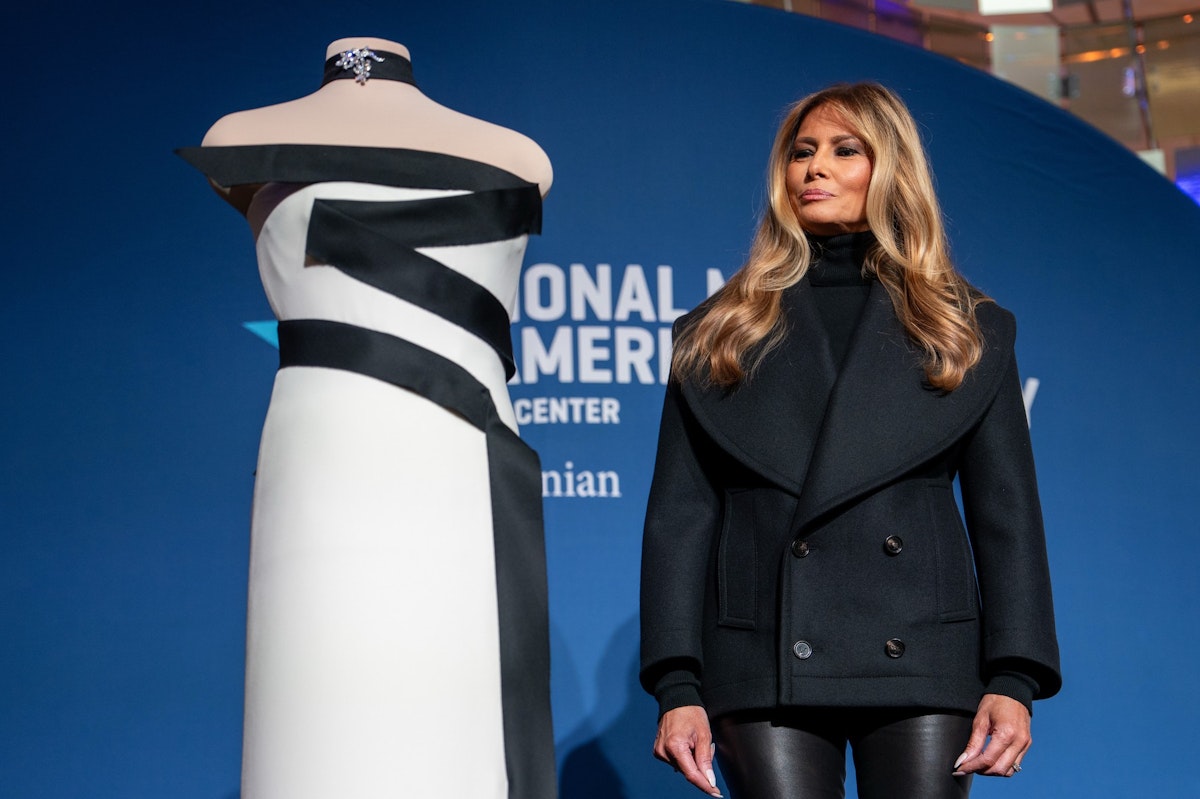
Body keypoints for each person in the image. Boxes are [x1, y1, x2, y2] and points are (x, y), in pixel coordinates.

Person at [639, 82, 1061, 799]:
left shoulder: (966, 328)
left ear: (890, 168)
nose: (814, 168)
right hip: (762, 655)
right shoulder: (717, 332)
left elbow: (1007, 514)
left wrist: (1013, 677)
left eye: (844, 150)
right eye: (801, 152)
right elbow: (681, 516)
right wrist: (677, 683)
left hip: (923, 652)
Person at [178, 38, 556, 799]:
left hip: (459, 460)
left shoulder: (521, 155)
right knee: (318, 696)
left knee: (454, 699)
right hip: (327, 456)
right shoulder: (240, 138)